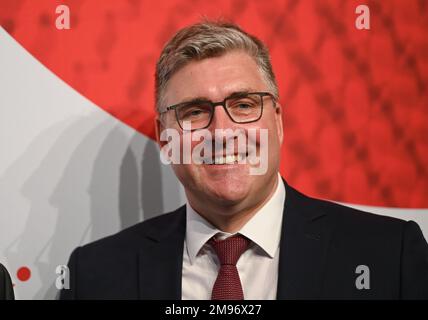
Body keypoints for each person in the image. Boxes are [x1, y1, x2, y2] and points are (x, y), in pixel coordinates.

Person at [60, 21, 428, 300]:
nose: (222, 132)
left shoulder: (388, 255)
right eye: (194, 112)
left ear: (278, 121)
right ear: (165, 138)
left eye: (244, 105)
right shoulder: (96, 275)